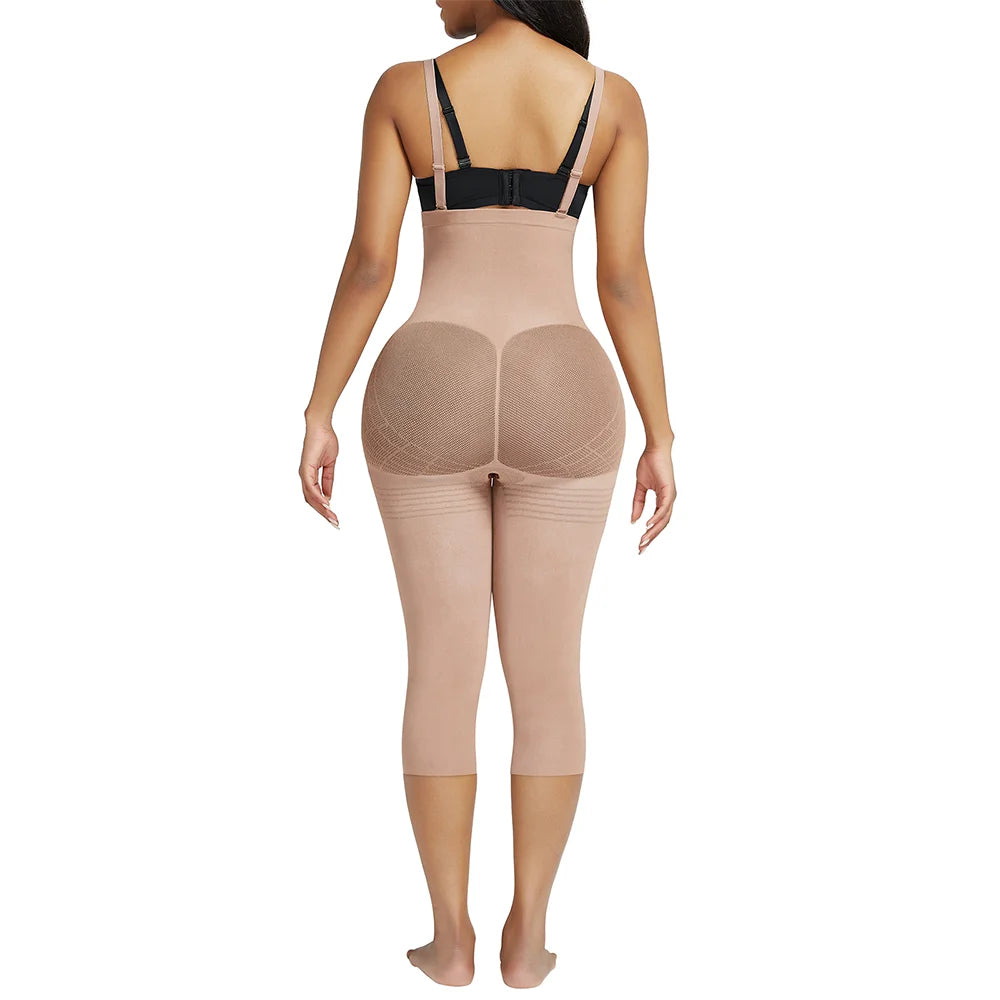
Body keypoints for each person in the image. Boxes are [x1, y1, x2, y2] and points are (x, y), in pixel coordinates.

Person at [300, 0, 676, 988]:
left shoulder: (405, 91)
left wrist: (319, 406)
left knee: (440, 672)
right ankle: (529, 935)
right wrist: (661, 432)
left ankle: (450, 938)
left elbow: (372, 262)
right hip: (566, 385)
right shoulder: (611, 102)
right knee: (549, 681)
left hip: (429, 382)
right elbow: (623, 278)